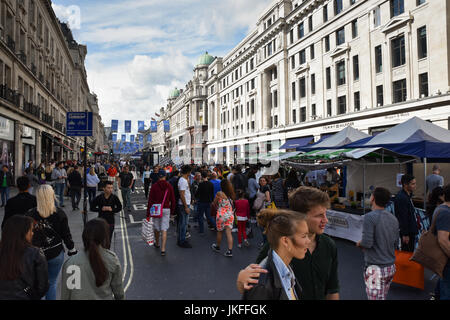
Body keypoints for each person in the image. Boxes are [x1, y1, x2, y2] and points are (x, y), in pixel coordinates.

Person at [237, 186, 340, 300]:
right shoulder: (278, 245)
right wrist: (242, 279)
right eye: (319, 215)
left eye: (325, 214)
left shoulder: (329, 245)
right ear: (300, 216)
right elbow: (254, 284)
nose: (326, 220)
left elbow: (332, 289)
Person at [243, 209, 309, 300]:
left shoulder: (287, 270)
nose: (308, 241)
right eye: (304, 236)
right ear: (285, 241)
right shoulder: (261, 286)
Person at [26, 185, 77, 300]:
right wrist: (72, 249)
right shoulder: (59, 214)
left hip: (36, 254)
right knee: (52, 283)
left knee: (37, 284)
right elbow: (66, 235)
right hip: (55, 253)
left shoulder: (30, 214)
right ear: (52, 196)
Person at [61, 218, 125, 300]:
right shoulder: (111, 260)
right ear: (104, 237)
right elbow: (119, 293)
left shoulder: (70, 263)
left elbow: (65, 295)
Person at [356, 187, 399, 300]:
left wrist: (359, 243)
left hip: (375, 268)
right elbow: (396, 243)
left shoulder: (370, 217)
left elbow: (367, 243)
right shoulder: (393, 218)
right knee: (382, 297)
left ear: (373, 198)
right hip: (390, 267)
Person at [0, 215, 49, 300]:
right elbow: (42, 286)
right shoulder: (35, 253)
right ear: (23, 233)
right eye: (31, 230)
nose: (33, 233)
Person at [147, 171, 175, 256]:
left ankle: (157, 243)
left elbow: (150, 200)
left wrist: (148, 213)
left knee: (156, 227)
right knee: (164, 229)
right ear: (165, 177)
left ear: (158, 177)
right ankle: (163, 249)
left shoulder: (154, 186)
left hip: (156, 209)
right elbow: (173, 200)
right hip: (166, 209)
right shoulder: (169, 186)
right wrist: (172, 212)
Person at [432, 184, 450, 300]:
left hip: (443, 257)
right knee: (447, 288)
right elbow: (443, 240)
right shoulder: (446, 213)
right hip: (446, 257)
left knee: (444, 283)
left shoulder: (442, 208)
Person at [394, 174, 419, 252]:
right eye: (412, 184)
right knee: (406, 254)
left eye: (415, 183)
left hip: (411, 230)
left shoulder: (407, 195)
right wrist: (405, 234)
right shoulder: (402, 197)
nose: (415, 186)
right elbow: (403, 217)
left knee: (409, 252)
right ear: (405, 184)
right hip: (407, 233)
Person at [211, 192, 235, 257]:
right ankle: (230, 251)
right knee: (229, 233)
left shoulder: (219, 194)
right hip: (230, 215)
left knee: (220, 232)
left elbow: (214, 203)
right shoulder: (231, 195)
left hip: (221, 215)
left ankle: (217, 246)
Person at [177, 165, 193, 248]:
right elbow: (182, 194)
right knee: (184, 223)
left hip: (184, 203)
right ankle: (182, 241)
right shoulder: (183, 181)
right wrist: (186, 207)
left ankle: (181, 239)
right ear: (188, 172)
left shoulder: (184, 180)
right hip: (184, 204)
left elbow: (187, 191)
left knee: (182, 223)